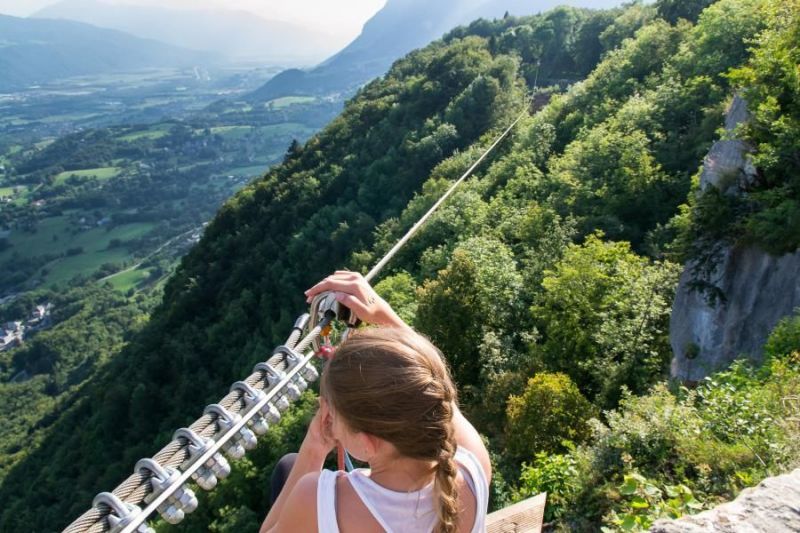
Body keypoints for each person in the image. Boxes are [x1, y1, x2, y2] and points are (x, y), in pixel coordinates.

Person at [259, 270, 492, 533]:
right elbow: (431, 387)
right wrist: (384, 317)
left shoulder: (319, 501)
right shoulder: (472, 469)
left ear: (367, 442)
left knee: (288, 467)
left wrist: (315, 446)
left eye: (335, 418)